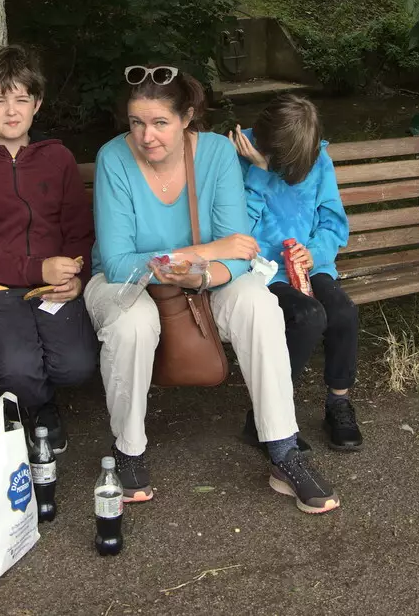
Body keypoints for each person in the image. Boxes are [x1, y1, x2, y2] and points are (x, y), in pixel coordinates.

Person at [84, 65, 341, 513]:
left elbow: (240, 254)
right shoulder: (113, 158)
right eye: (137, 122)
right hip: (125, 284)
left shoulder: (218, 153)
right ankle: (128, 448)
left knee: (259, 303)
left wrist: (201, 273)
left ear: (187, 118)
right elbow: (120, 261)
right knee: (133, 325)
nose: (147, 136)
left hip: (203, 281)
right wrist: (205, 250)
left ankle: (283, 450)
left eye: (161, 122)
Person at [0, 45, 95, 451]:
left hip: (51, 289)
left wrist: (76, 278)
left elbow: (79, 231)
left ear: (37, 104)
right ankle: (37, 408)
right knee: (18, 367)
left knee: (77, 367)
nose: (11, 111)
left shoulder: (58, 158)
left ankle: (15, 396)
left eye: (21, 99)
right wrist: (37, 269)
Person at [230, 95, 363, 452]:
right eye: (281, 164)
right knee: (307, 317)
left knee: (343, 312)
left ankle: (338, 403)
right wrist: (259, 171)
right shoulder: (239, 158)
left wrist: (314, 252)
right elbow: (238, 231)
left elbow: (333, 224)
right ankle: (265, 415)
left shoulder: (316, 159)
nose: (289, 172)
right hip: (263, 269)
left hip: (308, 263)